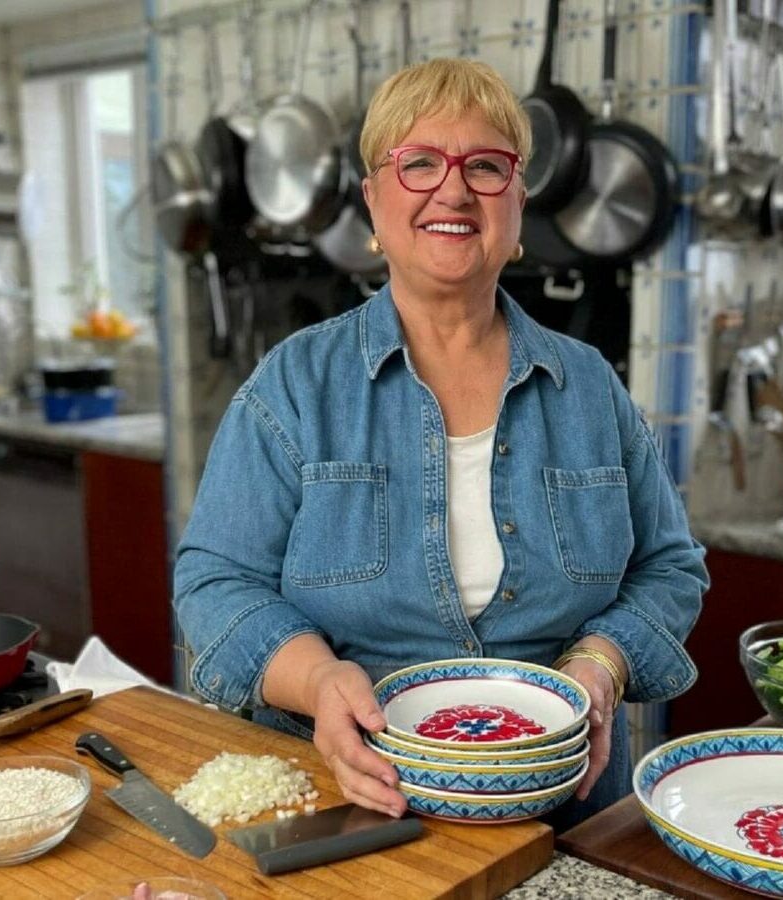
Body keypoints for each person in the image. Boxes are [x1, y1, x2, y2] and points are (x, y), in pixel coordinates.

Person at [174, 58, 708, 830]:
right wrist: (319, 680)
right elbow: (214, 580)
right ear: (373, 201)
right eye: (417, 163)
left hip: (563, 811)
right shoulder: (293, 384)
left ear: (519, 202)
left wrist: (601, 662)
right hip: (348, 801)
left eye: (485, 167)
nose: (452, 190)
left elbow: (669, 566)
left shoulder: (589, 387)